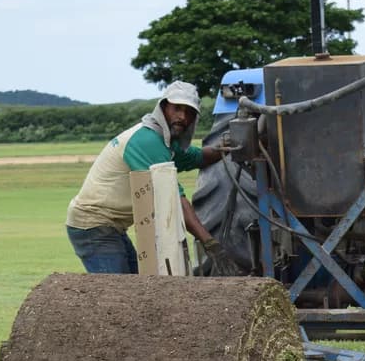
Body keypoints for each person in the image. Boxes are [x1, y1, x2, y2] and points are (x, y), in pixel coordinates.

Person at [65, 80, 240, 275]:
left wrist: (232, 144)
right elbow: (176, 200)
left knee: (137, 289)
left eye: (189, 112)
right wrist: (211, 244)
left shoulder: (164, 142)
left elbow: (198, 157)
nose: (182, 117)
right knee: (117, 295)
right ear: (163, 108)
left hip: (110, 226)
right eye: (177, 109)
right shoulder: (148, 141)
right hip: (93, 225)